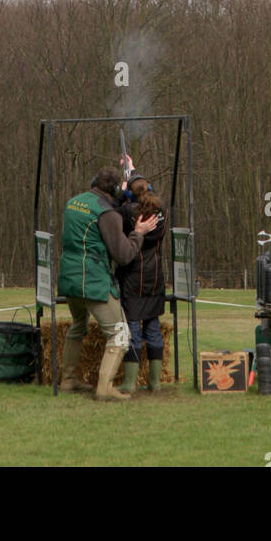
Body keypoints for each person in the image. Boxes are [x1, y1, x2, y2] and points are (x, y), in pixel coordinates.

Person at [57, 165, 158, 401]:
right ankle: (105, 387)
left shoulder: (73, 202)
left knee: (78, 325)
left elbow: (105, 203)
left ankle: (68, 379)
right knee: (120, 334)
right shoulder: (107, 214)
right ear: (114, 190)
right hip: (92, 280)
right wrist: (139, 232)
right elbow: (123, 255)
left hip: (69, 278)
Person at [116, 171, 168, 393]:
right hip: (155, 276)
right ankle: (155, 383)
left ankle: (130, 383)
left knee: (134, 333)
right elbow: (148, 193)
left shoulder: (127, 212)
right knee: (153, 329)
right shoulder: (161, 209)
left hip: (132, 277)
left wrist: (124, 188)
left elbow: (116, 203)